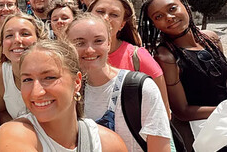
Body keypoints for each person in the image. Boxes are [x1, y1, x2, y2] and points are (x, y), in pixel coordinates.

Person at [0, 40, 127, 152]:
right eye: (27, 80)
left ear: (76, 82)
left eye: (49, 77)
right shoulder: (15, 135)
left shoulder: (109, 144)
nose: (36, 92)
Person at [139, 0, 227, 150]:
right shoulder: (166, 56)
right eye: (158, 16)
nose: (169, 17)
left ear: (186, 6)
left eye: (172, 8)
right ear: (154, 24)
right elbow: (182, 111)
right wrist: (223, 110)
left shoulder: (210, 39)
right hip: (205, 130)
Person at [66, 13, 172, 152]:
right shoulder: (68, 91)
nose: (90, 50)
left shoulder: (140, 89)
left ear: (109, 43)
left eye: (98, 41)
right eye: (80, 43)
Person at [88, 0, 170, 118]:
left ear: (122, 24)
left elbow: (163, 113)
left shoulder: (138, 58)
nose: (105, 18)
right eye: (100, 11)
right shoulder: (71, 56)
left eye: (114, 14)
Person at [0, 13, 48, 123]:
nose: (17, 40)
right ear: (2, 45)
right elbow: (2, 111)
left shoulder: (56, 71)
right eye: (9, 35)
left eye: (25, 34)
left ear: (39, 39)